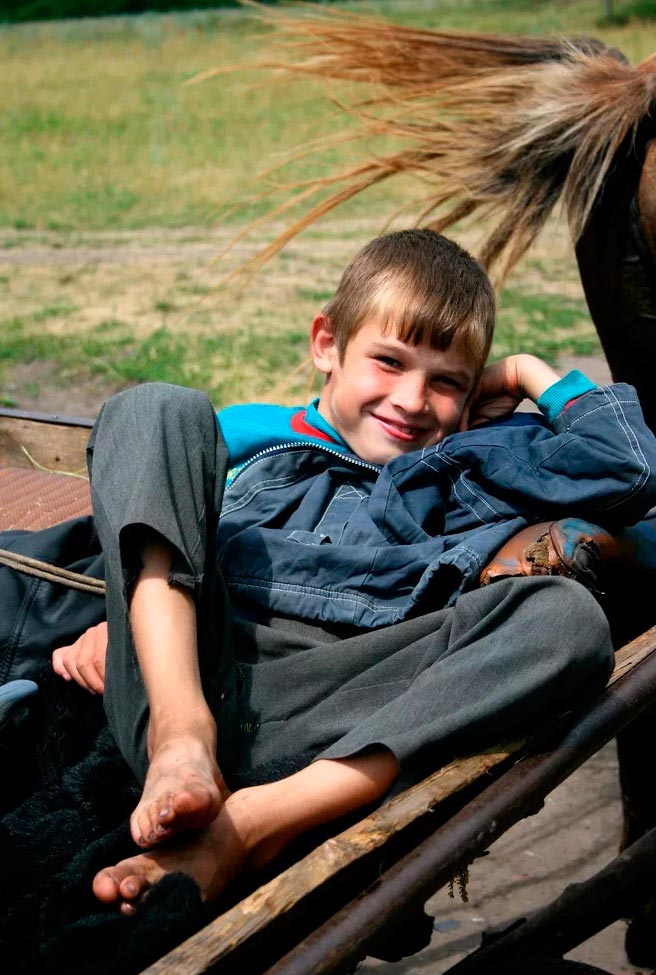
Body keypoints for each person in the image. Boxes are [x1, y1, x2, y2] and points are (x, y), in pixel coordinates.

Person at [48, 229, 656, 916]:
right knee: (154, 407)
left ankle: (250, 825)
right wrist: (120, 616)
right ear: (326, 345)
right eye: (388, 362)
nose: (411, 398)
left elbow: (632, 467)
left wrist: (521, 371)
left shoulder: (466, 465)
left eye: (446, 381)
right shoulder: (258, 432)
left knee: (567, 620)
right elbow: (152, 499)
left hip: (343, 703)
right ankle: (183, 738)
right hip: (190, 677)